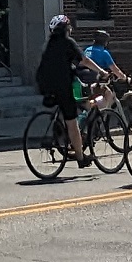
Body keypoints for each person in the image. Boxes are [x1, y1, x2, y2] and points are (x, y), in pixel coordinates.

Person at [36, 16, 98, 164]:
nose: (70, 30)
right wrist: (101, 71)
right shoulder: (68, 43)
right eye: (69, 27)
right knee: (72, 123)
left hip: (45, 86)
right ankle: (81, 157)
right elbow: (84, 61)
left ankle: (60, 131)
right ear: (65, 29)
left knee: (66, 110)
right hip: (62, 87)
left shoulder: (48, 44)